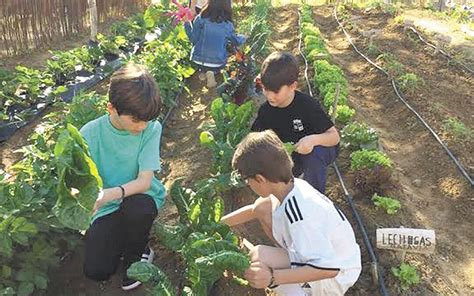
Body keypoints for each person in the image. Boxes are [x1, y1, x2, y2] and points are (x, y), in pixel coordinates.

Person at [221, 130, 361, 295]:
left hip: (334, 277)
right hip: (330, 257)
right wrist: (219, 224)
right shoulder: (291, 187)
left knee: (262, 267)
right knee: (261, 217)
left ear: (260, 179)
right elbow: (254, 210)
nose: (248, 184)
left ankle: (305, 291)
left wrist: (272, 277)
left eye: (247, 180)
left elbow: (328, 268)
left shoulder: (300, 215)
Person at [80, 63, 165, 291]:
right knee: (97, 270)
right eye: (136, 120)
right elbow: (80, 184)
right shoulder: (88, 134)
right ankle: (123, 239)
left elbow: (144, 181)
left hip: (138, 196)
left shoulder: (151, 128)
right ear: (111, 108)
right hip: (106, 205)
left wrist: (108, 195)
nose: (143, 126)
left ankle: (137, 253)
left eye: (147, 119)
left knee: (140, 209)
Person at [251, 51, 339, 194]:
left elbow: (334, 137)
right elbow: (255, 138)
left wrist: (312, 140)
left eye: (275, 91)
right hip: (291, 157)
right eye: (266, 90)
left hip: (319, 148)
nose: (269, 96)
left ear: (292, 86)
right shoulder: (265, 111)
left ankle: (315, 198)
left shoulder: (307, 106)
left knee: (313, 157)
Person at [184, 0, 245, 88]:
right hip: (217, 62)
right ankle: (213, 72)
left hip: (198, 60)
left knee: (202, 62)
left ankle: (203, 72)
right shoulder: (228, 25)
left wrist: (187, 23)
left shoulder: (200, 18)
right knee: (223, 53)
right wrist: (244, 37)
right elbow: (236, 41)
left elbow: (193, 39)